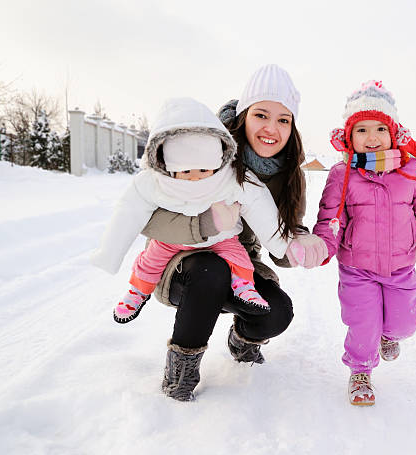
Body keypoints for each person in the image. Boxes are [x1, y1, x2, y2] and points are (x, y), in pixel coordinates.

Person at [140, 64, 328, 401]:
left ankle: (242, 341)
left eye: (283, 119)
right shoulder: (206, 149)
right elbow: (150, 217)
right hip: (183, 260)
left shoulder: (289, 174)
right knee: (209, 271)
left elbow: (280, 246)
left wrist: (300, 244)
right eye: (261, 115)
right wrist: (206, 226)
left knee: (278, 312)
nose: (272, 128)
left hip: (241, 265)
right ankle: (181, 369)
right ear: (243, 116)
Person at [90, 97, 302, 326]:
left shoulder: (231, 177)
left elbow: (260, 206)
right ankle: (137, 292)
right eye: (185, 170)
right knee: (151, 259)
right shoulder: (153, 182)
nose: (194, 177)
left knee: (239, 258)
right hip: (173, 244)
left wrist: (286, 244)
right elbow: (128, 212)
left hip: (222, 238)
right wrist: (109, 254)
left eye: (203, 170)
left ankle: (245, 289)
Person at [312, 80, 416, 406]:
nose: (371, 137)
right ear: (349, 136)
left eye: (379, 129)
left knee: (406, 321)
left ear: (393, 133)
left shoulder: (411, 172)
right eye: (361, 130)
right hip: (356, 268)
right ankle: (360, 371)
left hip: (400, 266)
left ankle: (391, 336)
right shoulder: (341, 174)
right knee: (362, 324)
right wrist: (322, 246)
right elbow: (331, 217)